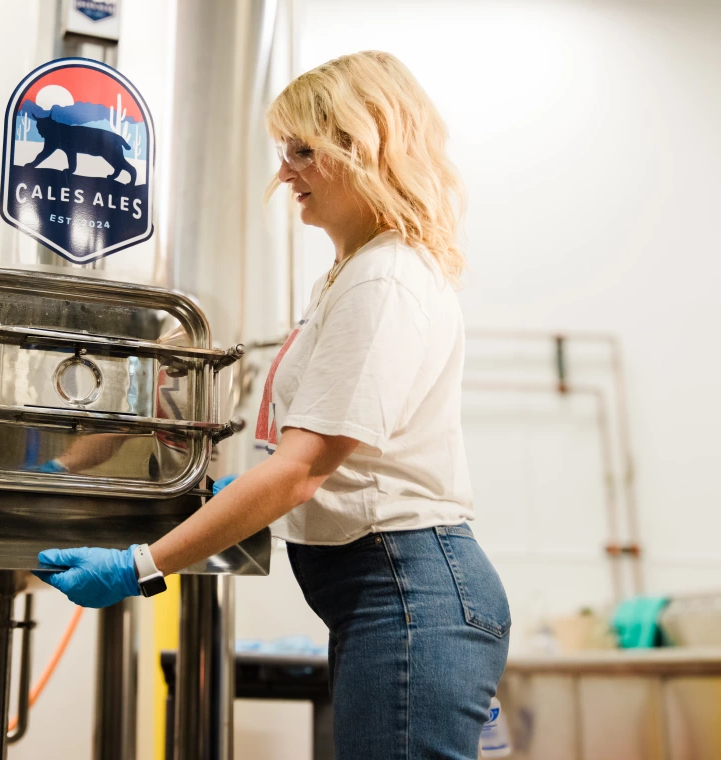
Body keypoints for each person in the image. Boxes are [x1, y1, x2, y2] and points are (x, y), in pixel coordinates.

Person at [35, 50, 509, 759]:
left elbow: (301, 470)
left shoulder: (385, 282)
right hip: (390, 591)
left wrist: (139, 565)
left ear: (364, 148)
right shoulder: (351, 278)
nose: (283, 171)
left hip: (409, 588)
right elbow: (318, 467)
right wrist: (248, 492)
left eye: (302, 151)